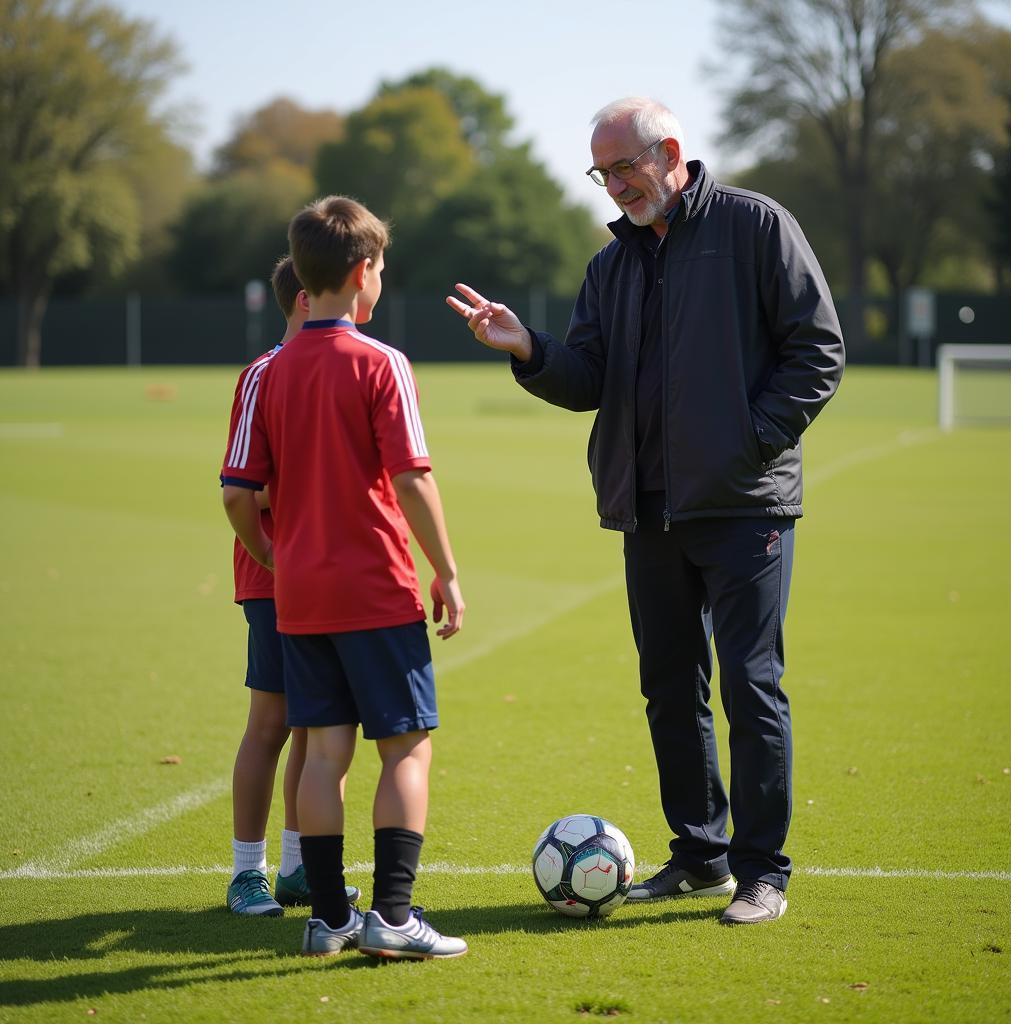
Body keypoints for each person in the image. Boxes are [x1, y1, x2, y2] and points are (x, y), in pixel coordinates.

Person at [447, 96, 844, 926]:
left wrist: (748, 443)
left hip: (744, 506)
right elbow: (587, 379)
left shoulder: (755, 226)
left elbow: (818, 349)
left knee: (751, 685)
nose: (614, 186)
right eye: (602, 173)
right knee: (670, 687)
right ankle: (700, 854)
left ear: (669, 151)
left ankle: (761, 871)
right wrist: (528, 348)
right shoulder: (610, 266)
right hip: (649, 510)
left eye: (624, 167)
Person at [221, 195, 468, 958]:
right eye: (384, 267)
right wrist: (447, 572)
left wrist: (274, 557)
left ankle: (328, 920)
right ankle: (393, 917)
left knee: (323, 752)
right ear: (363, 273)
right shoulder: (382, 362)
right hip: (376, 588)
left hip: (300, 598)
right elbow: (412, 479)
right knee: (406, 749)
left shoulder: (270, 371)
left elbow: (237, 492)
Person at [222, 256, 359, 917]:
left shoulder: (347, 361)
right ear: (306, 297)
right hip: (276, 576)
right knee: (271, 723)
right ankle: (247, 873)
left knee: (317, 726)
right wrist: (272, 556)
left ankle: (302, 866)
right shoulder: (265, 373)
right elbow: (243, 487)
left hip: (330, 578)